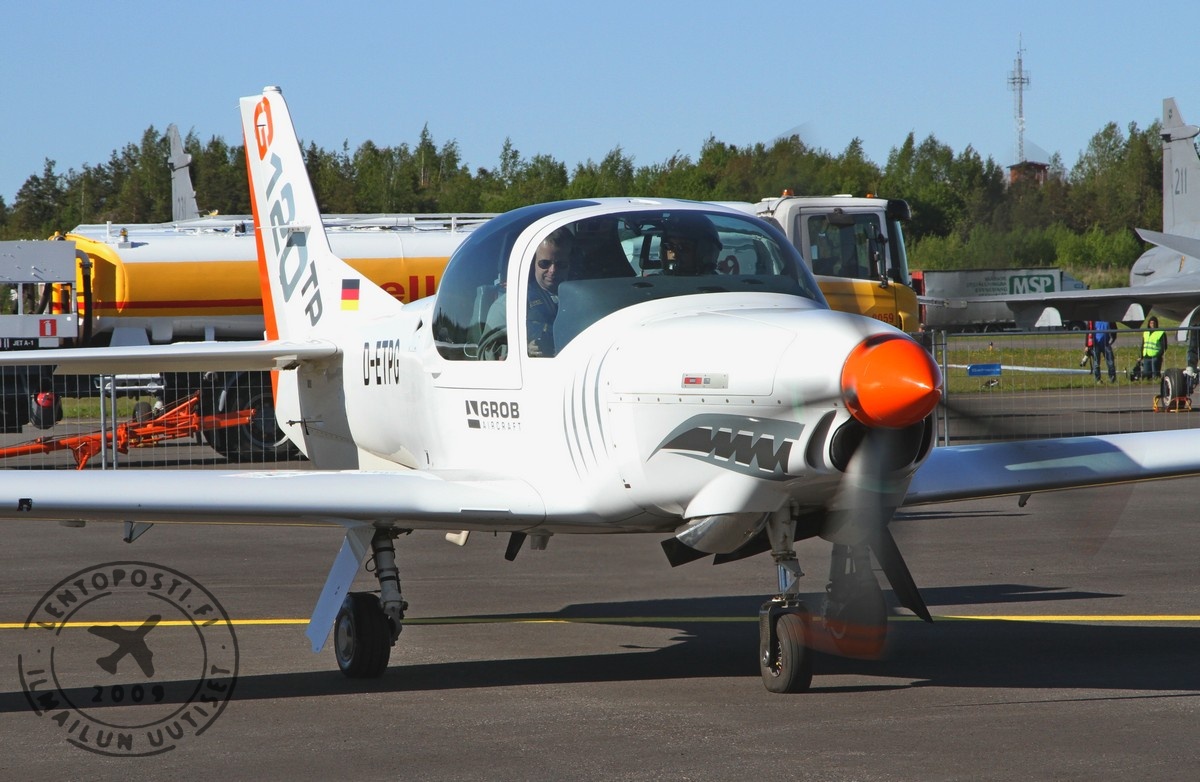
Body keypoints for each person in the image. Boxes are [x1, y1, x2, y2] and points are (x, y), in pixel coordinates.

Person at [527, 227, 573, 357]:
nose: (552, 270)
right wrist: (526, 349)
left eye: (561, 264)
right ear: (533, 263)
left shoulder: (588, 299)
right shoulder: (512, 303)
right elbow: (491, 350)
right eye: (544, 263)